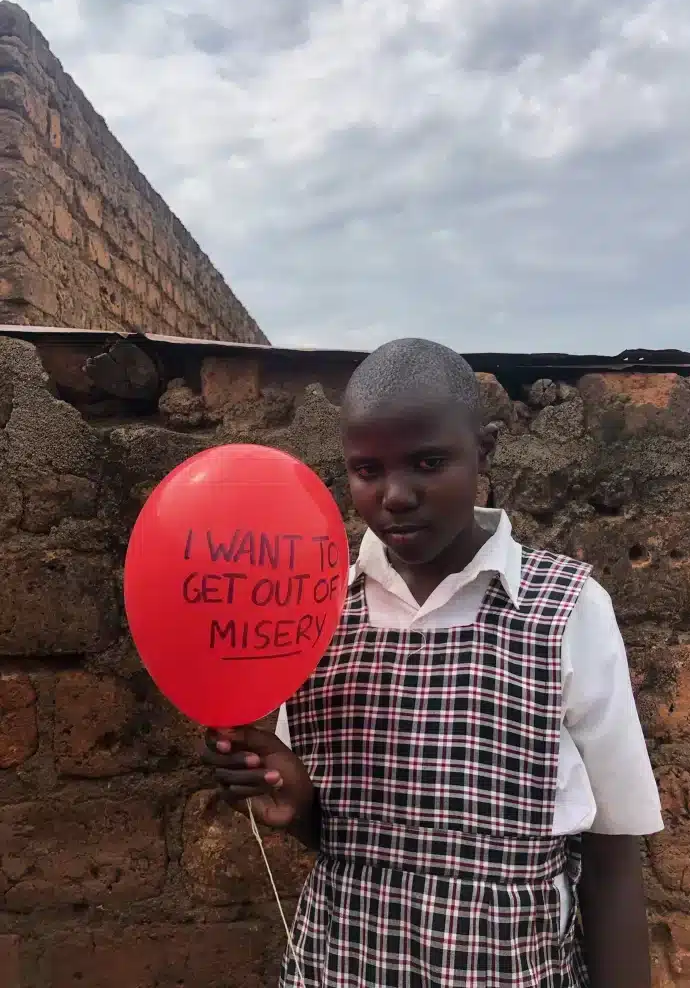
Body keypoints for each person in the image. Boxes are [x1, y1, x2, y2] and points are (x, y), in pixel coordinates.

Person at [202, 338, 663, 988]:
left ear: (486, 450)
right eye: (367, 469)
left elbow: (613, 853)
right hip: (341, 968)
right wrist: (298, 804)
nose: (395, 494)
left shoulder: (567, 610)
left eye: (427, 462)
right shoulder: (314, 607)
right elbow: (346, 842)